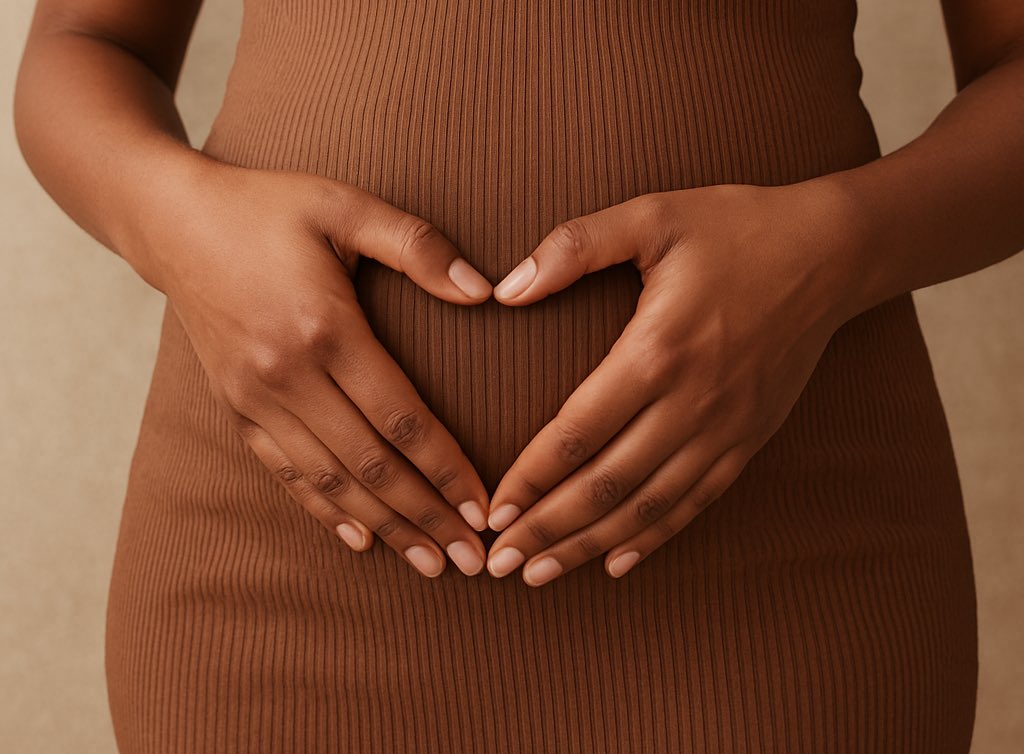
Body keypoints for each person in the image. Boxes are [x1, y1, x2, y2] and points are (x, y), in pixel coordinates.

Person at [13, 0, 1022, 751]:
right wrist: (184, 226)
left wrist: (834, 247)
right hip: (274, 576)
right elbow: (82, 49)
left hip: (789, 565)